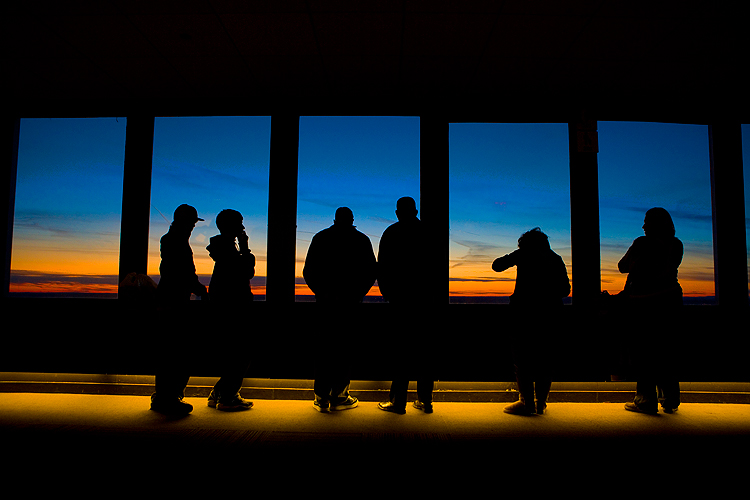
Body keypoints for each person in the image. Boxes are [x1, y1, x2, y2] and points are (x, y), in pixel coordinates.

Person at [303, 207, 377, 412]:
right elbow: (371, 272)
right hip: (350, 304)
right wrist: (357, 294)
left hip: (325, 304)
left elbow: (308, 271)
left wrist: (321, 293)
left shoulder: (320, 238)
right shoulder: (361, 240)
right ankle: (340, 394)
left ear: (334, 219)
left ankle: (321, 395)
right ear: (352, 219)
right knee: (345, 348)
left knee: (324, 349)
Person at [492, 227, 570, 415]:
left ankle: (526, 402)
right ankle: (540, 402)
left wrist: (518, 253)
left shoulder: (524, 255)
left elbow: (497, 265)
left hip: (523, 314)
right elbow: (565, 290)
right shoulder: (556, 259)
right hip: (551, 315)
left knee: (522, 359)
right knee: (546, 360)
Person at [617, 207, 683, 415]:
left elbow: (622, 266)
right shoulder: (676, 244)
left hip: (642, 305)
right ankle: (670, 397)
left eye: (647, 221)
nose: (643, 225)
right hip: (670, 303)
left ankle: (646, 399)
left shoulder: (641, 243)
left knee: (643, 352)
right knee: (666, 350)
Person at [376, 197, 434, 414]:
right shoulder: (427, 232)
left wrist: (386, 292)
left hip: (400, 300)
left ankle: (398, 401)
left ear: (397, 212)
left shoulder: (391, 233)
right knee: (424, 351)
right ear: (416, 211)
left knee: (401, 352)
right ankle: (425, 400)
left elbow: (382, 267)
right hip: (424, 300)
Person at [151, 204, 209, 416]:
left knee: (170, 351)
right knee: (177, 351)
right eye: (192, 222)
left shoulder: (172, 239)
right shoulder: (176, 242)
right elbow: (183, 273)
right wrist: (200, 290)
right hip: (174, 303)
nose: (194, 226)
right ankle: (169, 397)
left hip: (170, 301)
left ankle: (165, 396)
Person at [204, 209, 255, 411]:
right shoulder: (229, 250)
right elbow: (247, 272)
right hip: (234, 308)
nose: (242, 227)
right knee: (240, 351)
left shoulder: (222, 249)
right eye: (239, 223)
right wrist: (245, 249)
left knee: (233, 352)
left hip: (224, 306)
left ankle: (222, 392)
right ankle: (227, 395)